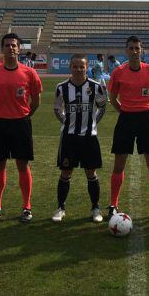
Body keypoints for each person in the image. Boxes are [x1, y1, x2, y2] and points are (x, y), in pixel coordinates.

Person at [0, 33, 43, 222]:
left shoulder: (29, 73)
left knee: (22, 165)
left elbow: (36, 101)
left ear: (19, 49)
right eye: (7, 45)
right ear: (2, 49)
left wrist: (24, 115)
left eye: (14, 45)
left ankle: (26, 207)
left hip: (21, 123)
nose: (11, 48)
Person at [107, 36, 149, 220]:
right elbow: (112, 98)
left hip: (145, 120)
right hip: (125, 119)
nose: (134, 51)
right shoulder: (118, 72)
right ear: (126, 50)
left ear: (142, 50)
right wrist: (124, 111)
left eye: (137, 48)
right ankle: (113, 205)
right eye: (131, 48)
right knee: (119, 164)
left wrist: (148, 110)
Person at [51, 54, 107, 223]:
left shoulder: (96, 87)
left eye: (81, 67)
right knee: (66, 172)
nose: (78, 69)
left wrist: (93, 123)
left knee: (91, 172)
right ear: (70, 67)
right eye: (75, 66)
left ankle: (95, 208)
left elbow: (102, 106)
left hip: (90, 137)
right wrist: (66, 122)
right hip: (69, 137)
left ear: (87, 67)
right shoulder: (61, 87)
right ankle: (61, 208)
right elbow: (57, 108)